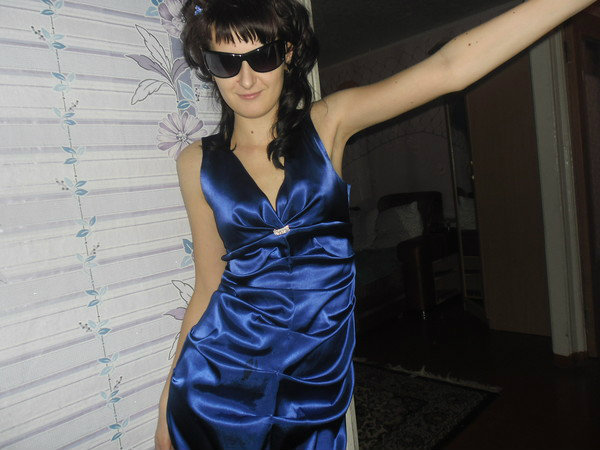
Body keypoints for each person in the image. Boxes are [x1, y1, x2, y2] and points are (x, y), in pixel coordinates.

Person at [155, 0, 596, 448]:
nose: (246, 78)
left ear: (286, 53)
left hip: (314, 389)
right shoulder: (197, 162)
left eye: (261, 56)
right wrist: (165, 408)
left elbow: (449, 68)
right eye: (226, 62)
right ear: (209, 67)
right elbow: (208, 287)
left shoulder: (329, 123)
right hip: (218, 387)